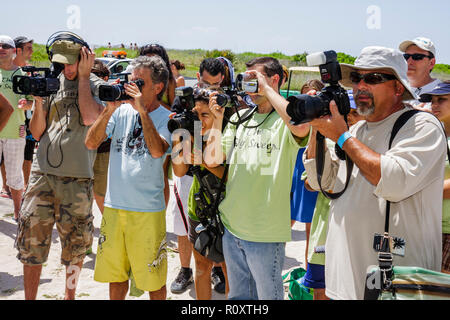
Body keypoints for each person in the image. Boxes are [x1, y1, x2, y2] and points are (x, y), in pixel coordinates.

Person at [302, 46, 446, 300]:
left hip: (399, 283)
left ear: (398, 88)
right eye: (357, 78)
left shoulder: (421, 125)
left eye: (373, 78)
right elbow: (320, 183)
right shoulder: (356, 133)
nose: (360, 86)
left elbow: (393, 181)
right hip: (345, 279)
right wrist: (316, 126)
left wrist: (341, 135)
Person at [205, 57, 310, 300]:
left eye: (255, 79)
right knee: (239, 297)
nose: (248, 85)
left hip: (264, 233)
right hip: (232, 228)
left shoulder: (285, 121)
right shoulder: (240, 118)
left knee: (268, 297)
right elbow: (212, 159)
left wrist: (269, 90)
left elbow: (301, 127)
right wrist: (217, 118)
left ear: (274, 79)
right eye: (246, 79)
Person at [15, 36, 105, 300]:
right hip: (42, 175)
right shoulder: (52, 83)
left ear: (85, 58)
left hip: (77, 178)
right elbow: (37, 132)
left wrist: (85, 78)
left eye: (72, 63)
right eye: (61, 63)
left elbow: (90, 117)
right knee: (31, 245)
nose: (67, 69)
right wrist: (40, 102)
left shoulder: (96, 85)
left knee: (75, 249)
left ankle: (70, 297)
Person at [86, 55, 171, 300]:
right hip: (114, 208)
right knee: (116, 277)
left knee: (154, 280)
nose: (132, 86)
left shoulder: (168, 118)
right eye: (130, 80)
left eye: (139, 82)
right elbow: (91, 142)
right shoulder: (120, 111)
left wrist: (141, 111)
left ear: (157, 87)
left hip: (147, 211)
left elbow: (157, 150)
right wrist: (108, 110)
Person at [169, 57, 229, 295]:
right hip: (198, 206)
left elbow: (225, 173)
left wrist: (202, 158)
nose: (200, 119)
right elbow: (179, 171)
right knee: (201, 267)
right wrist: (182, 138)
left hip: (224, 207)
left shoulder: (225, 126)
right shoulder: (188, 127)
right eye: (196, 114)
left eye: (205, 115)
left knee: (227, 267)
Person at [301, 90, 364, 300]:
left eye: (355, 113)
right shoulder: (328, 141)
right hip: (324, 237)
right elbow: (312, 182)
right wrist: (315, 128)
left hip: (357, 241)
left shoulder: (373, 144)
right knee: (321, 294)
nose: (349, 119)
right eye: (347, 113)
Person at [290, 80, 324, 271]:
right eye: (305, 96)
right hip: (294, 173)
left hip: (313, 173)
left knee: (312, 232)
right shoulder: (295, 119)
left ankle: (309, 276)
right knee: (284, 223)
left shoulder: (326, 121)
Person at [0, 35, 33, 221]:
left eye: (6, 46)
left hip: (15, 131)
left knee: (14, 175)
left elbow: (31, 104)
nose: (1, 48)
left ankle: (17, 211)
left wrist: (25, 104)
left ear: (13, 51)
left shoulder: (21, 74)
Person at [419, 81, 450, 274]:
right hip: (428, 227)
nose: (434, 105)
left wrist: (420, 193)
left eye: (442, 99)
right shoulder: (431, 135)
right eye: (432, 100)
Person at [13, 36, 35, 192]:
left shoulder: (30, 71)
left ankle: (26, 186)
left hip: (26, 119)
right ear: (18, 50)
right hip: (8, 121)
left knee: (27, 152)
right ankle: (7, 187)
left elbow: (33, 100)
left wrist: (28, 104)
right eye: (28, 48)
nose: (32, 52)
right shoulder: (7, 69)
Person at [90, 59, 111, 214]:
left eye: (97, 76)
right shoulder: (83, 91)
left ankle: (107, 225)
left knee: (100, 192)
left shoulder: (110, 93)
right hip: (84, 148)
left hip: (103, 149)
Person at [398, 37, 441, 107]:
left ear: (431, 63)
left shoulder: (444, 90)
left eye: (417, 56)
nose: (409, 62)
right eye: (406, 56)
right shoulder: (395, 91)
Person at [139, 44, 176, 110]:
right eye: (146, 60)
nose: (150, 63)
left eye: (154, 60)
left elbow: (173, 110)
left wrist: (152, 99)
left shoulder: (170, 81)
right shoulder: (135, 79)